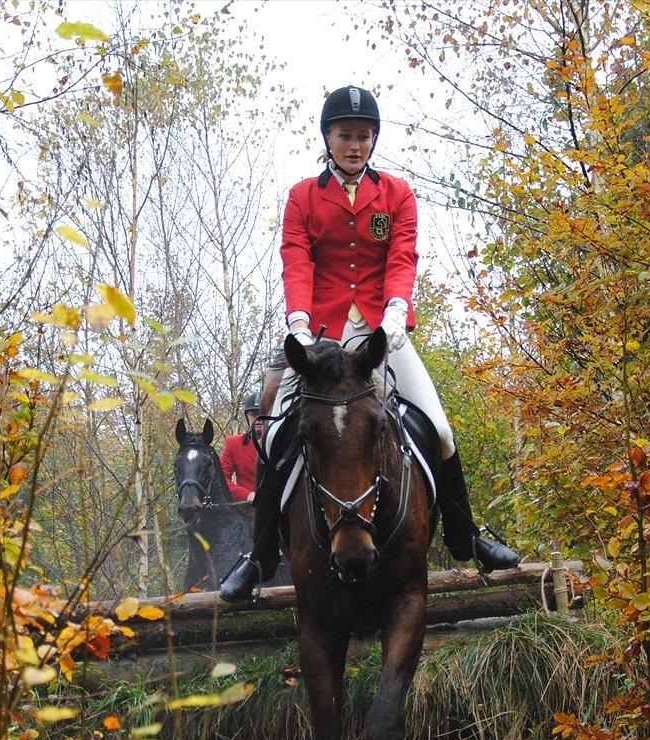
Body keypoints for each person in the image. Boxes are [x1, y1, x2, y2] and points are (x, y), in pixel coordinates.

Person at [220, 86, 518, 602]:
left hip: (382, 333)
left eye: (363, 136)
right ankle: (259, 556)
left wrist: (398, 309)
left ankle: (467, 535)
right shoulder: (303, 197)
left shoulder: (397, 193)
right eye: (344, 135)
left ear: (373, 139)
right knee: (273, 439)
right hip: (322, 336)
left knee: (440, 428)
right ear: (328, 138)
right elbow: (297, 261)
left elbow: (402, 256)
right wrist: (298, 322)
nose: (354, 145)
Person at [220, 392, 261, 502]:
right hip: (247, 509)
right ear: (247, 417)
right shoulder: (233, 443)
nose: (259, 419)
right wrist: (248, 495)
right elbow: (222, 479)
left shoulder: (282, 442)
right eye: (253, 414)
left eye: (262, 413)